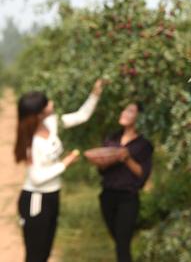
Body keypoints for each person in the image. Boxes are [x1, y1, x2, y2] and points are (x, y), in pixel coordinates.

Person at [15, 79, 105, 262]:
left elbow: (82, 116)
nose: (52, 104)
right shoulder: (32, 143)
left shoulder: (51, 124)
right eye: (47, 103)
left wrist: (95, 93)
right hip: (36, 199)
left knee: (46, 251)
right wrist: (65, 163)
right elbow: (37, 178)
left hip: (52, 196)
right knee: (35, 255)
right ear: (39, 114)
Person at [94, 102, 153, 262]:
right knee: (118, 239)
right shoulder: (111, 138)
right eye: (124, 109)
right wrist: (103, 161)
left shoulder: (143, 145)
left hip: (127, 198)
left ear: (139, 118)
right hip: (107, 196)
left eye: (130, 111)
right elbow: (101, 170)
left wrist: (127, 158)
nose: (124, 113)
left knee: (123, 244)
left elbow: (143, 174)